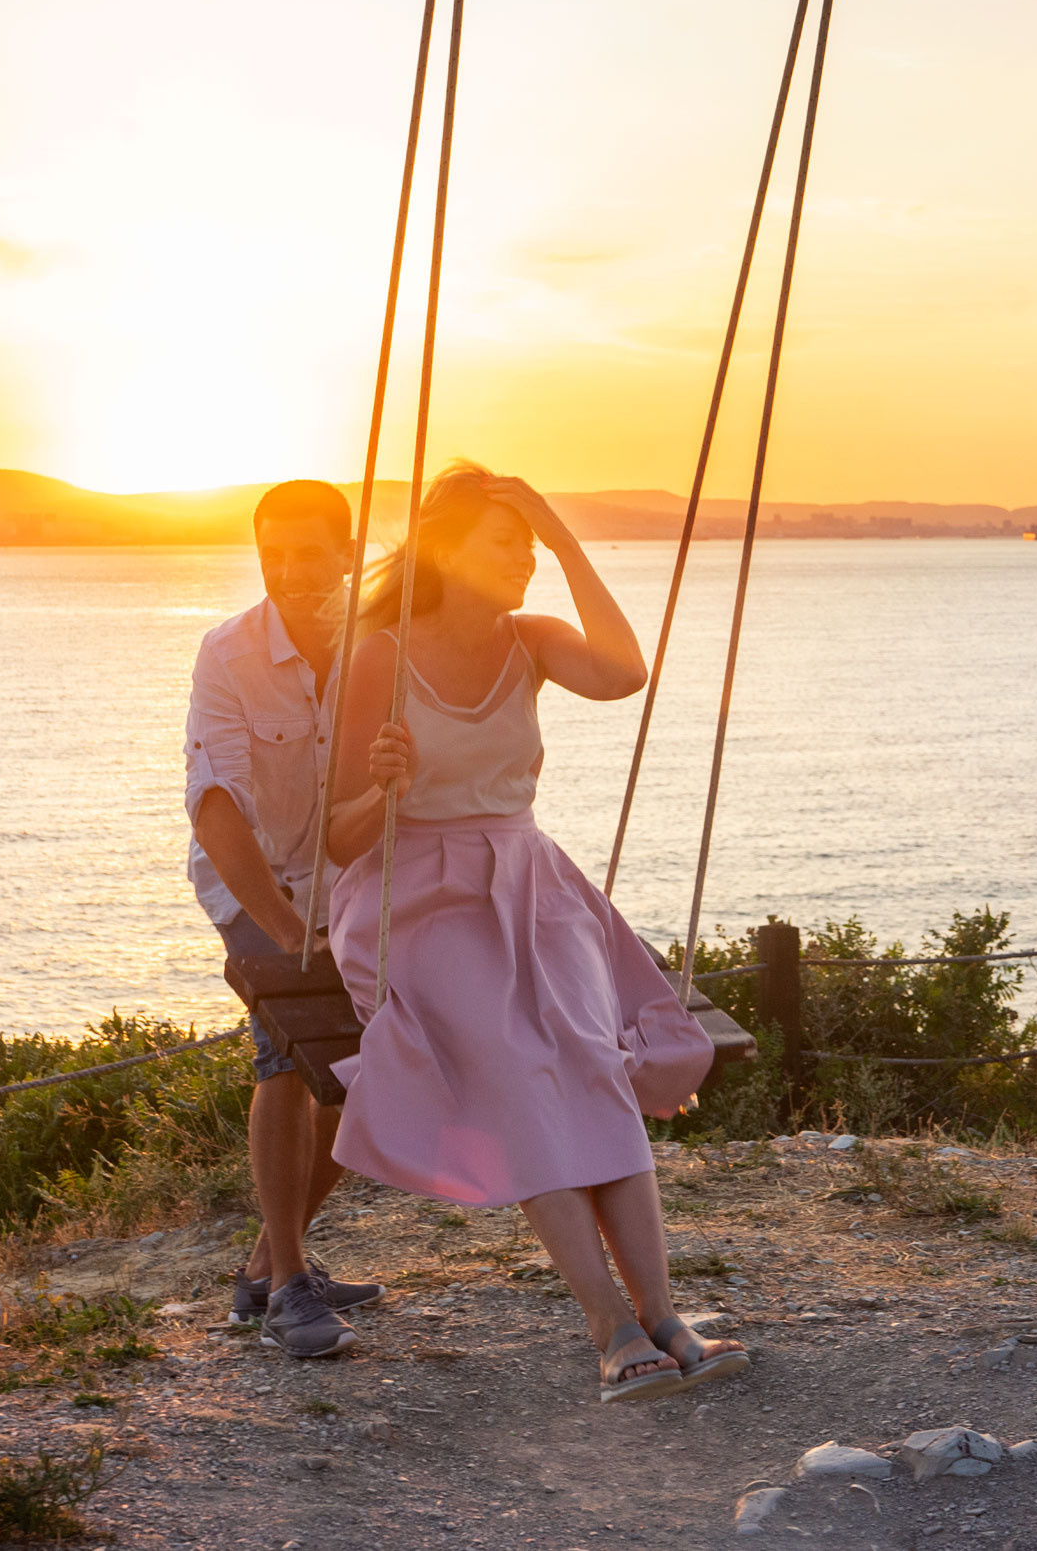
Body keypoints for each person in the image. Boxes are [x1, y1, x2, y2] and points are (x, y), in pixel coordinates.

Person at [322, 461, 752, 1403]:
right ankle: (608, 1324)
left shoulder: (534, 641)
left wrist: (561, 534)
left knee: (593, 1058)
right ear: (449, 550)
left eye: (529, 545)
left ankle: (667, 1315)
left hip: (529, 880)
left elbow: (627, 671)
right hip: (414, 895)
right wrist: (382, 786)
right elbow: (338, 836)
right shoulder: (379, 657)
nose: (522, 560)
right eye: (505, 542)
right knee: (517, 1065)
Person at [184, 478, 408, 1358]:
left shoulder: (378, 645)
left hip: (350, 879)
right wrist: (282, 929)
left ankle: (266, 1265)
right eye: (272, 552)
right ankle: (285, 1292)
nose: (287, 569)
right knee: (285, 1054)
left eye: (309, 550)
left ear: (347, 551)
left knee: (362, 1073)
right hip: (256, 883)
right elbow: (216, 807)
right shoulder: (228, 653)